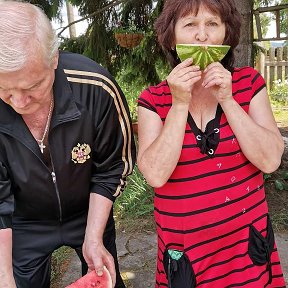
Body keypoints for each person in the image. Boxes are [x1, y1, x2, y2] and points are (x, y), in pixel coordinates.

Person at [137, 0, 286, 287]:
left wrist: (227, 99)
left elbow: (270, 160)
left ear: (226, 35)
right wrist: (179, 103)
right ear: (171, 37)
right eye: (190, 25)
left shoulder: (249, 84)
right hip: (187, 258)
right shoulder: (152, 100)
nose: (202, 36)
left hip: (247, 252)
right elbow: (155, 174)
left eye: (212, 24)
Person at [0, 1, 136, 288]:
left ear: (54, 58)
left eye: (32, 86)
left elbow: (112, 168)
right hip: (22, 222)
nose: (19, 102)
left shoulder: (96, 87)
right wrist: (4, 277)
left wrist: (94, 236)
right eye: (4, 90)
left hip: (89, 210)